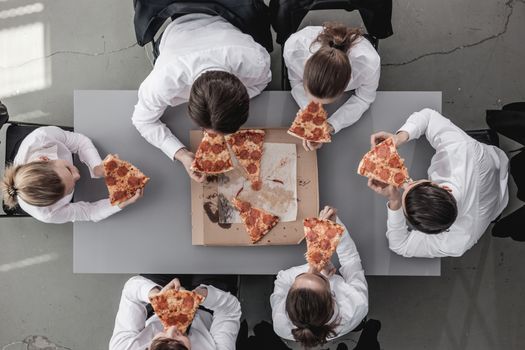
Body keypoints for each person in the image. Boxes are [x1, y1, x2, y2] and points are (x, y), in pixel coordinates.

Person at [132, 13, 272, 182]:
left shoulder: (255, 61)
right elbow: (142, 121)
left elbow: (262, 83)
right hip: (179, 28)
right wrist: (181, 154)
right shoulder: (161, 83)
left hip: (228, 22)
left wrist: (230, 105)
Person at [367, 108, 509, 258]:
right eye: (412, 184)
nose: (406, 183)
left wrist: (394, 200)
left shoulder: (456, 244)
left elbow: (400, 245)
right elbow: (428, 117)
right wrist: (400, 138)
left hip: (492, 192)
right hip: (493, 165)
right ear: (443, 187)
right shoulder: (461, 150)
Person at [270, 206, 368, 348]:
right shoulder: (356, 304)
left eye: (301, 276)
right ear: (333, 296)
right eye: (321, 279)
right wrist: (333, 227)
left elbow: (283, 278)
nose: (312, 270)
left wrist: (317, 266)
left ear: (288, 296)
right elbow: (351, 260)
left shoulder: (280, 320)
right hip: (351, 321)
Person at [0, 126, 141, 224]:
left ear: (45, 159)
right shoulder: (47, 214)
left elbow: (80, 142)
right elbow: (88, 213)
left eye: (68, 169)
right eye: (69, 190)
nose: (78, 176)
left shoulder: (42, 137)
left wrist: (97, 168)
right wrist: (120, 203)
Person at [283, 22, 380, 151]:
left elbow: (364, 99)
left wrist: (331, 125)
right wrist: (311, 119)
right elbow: (296, 82)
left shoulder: (368, 64)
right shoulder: (294, 49)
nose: (317, 105)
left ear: (345, 87)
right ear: (304, 69)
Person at [109, 275, 242, 350]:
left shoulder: (123, 348)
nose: (172, 329)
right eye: (180, 341)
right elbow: (230, 309)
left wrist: (157, 296)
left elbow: (130, 293)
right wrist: (198, 296)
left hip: (155, 307)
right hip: (207, 308)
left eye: (161, 338)